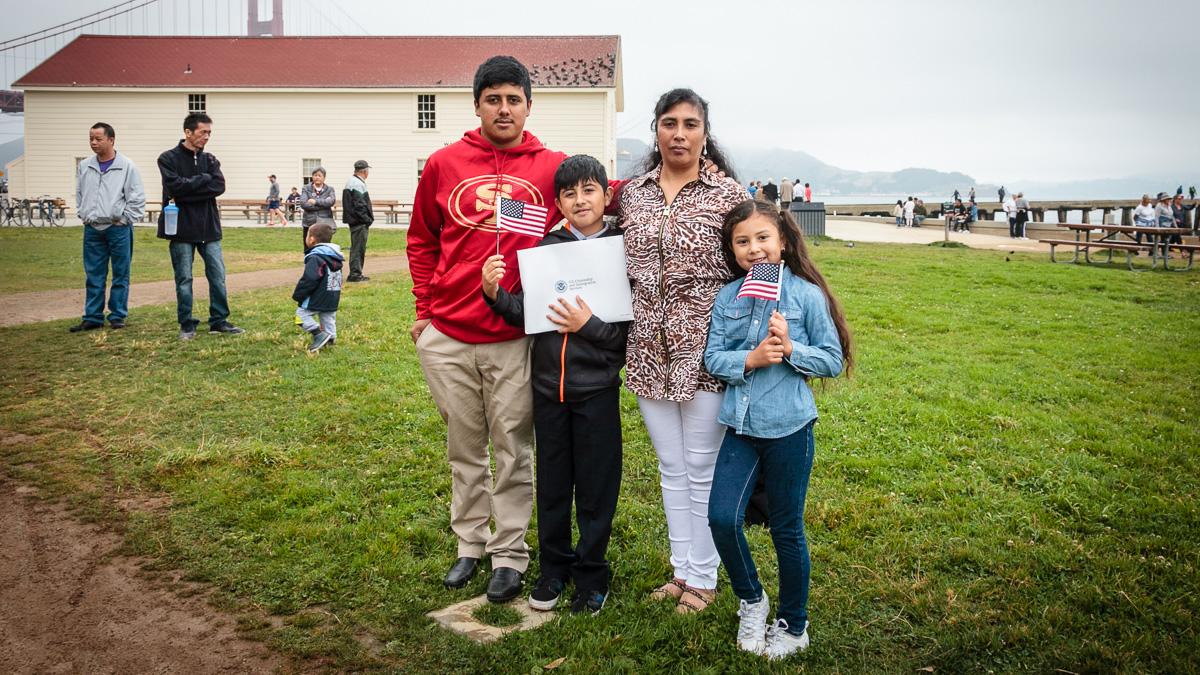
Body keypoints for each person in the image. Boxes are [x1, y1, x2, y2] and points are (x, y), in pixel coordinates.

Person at [407, 55, 620, 604]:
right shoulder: (443, 163)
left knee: (513, 448)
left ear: (529, 104)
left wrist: (698, 167)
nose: (504, 108)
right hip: (450, 332)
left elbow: (609, 189)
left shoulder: (550, 167)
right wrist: (425, 311)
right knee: (463, 447)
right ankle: (469, 545)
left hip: (515, 333)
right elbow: (422, 240)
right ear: (477, 104)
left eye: (514, 99)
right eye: (493, 99)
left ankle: (509, 554)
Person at [481, 155, 628, 615]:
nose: (579, 200)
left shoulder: (623, 249)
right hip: (548, 389)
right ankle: (553, 570)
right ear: (559, 202)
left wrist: (588, 326)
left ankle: (591, 574)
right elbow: (528, 312)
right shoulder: (549, 246)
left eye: (589, 190)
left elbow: (625, 337)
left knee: (596, 487)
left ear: (606, 195)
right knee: (553, 485)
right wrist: (494, 294)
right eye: (569, 193)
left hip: (597, 390)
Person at [705, 200, 851, 660]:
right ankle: (752, 599)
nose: (754, 249)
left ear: (783, 242)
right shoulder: (728, 297)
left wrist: (790, 348)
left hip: (790, 427)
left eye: (763, 238)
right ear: (733, 249)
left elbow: (830, 359)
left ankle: (793, 622)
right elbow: (712, 357)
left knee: (787, 528)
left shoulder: (806, 296)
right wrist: (748, 360)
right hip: (741, 427)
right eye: (742, 241)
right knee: (722, 518)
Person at [619, 88, 744, 614]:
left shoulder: (729, 196)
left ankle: (705, 579)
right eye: (668, 123)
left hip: (705, 355)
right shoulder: (633, 195)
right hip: (646, 349)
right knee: (671, 468)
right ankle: (680, 571)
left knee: (702, 467)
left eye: (690, 124)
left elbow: (758, 261)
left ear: (704, 132)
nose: (678, 133)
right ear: (655, 130)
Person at [157, 112, 244, 340]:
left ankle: (219, 320)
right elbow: (175, 188)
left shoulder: (210, 160)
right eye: (202, 132)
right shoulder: (168, 159)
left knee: (217, 276)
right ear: (188, 132)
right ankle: (187, 323)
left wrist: (191, 188)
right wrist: (203, 181)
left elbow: (219, 186)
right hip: (182, 229)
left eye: (209, 133)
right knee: (184, 278)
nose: (206, 137)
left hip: (208, 228)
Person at [72, 121, 145, 332]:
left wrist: (125, 219)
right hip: (92, 228)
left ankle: (117, 316)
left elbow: (136, 196)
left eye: (98, 139)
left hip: (118, 229)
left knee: (121, 273)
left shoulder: (127, 166)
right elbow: (80, 193)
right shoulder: (85, 166)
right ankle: (93, 317)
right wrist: (83, 214)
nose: (93, 143)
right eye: (91, 139)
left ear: (111, 140)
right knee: (94, 274)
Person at [291, 221, 343, 353]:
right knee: (328, 317)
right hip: (333, 294)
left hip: (318, 296)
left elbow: (310, 278)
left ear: (312, 239)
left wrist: (299, 295)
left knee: (300, 316)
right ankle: (330, 338)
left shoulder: (316, 257)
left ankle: (319, 334)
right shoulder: (335, 256)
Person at [342, 160, 374, 281]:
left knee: (356, 247)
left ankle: (356, 272)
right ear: (365, 171)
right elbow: (360, 205)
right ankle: (355, 274)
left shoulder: (352, 181)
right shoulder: (357, 184)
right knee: (358, 248)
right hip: (359, 221)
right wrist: (367, 219)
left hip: (354, 220)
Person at [299, 167, 336, 250]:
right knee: (308, 246)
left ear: (324, 177)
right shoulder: (306, 188)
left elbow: (331, 202)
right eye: (315, 175)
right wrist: (323, 205)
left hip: (324, 223)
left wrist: (315, 202)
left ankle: (323, 262)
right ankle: (308, 262)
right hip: (309, 222)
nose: (317, 177)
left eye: (319, 175)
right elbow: (303, 203)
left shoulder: (330, 189)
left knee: (324, 246)